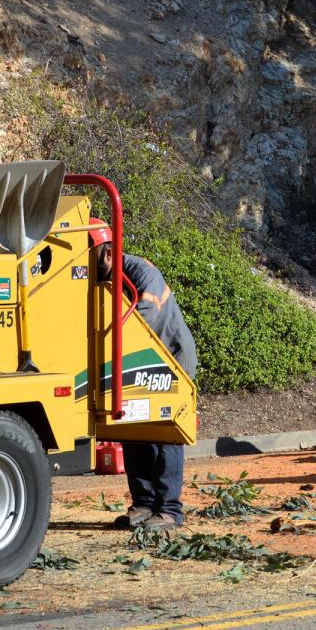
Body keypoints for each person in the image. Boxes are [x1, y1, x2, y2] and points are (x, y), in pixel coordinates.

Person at [90, 218, 197, 532]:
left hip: (170, 357)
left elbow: (141, 322)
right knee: (133, 429)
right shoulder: (99, 280)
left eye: (89, 259)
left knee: (165, 433)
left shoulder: (141, 272)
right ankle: (144, 504)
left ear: (107, 254)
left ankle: (171, 511)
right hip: (136, 360)